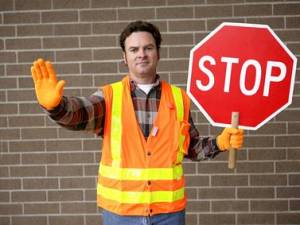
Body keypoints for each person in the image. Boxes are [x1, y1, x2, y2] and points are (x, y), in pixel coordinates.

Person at [30, 21, 243, 225]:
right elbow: (80, 114)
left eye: (148, 48)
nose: (141, 54)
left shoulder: (179, 99)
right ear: (125, 57)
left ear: (158, 53)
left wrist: (220, 143)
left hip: (168, 214)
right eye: (134, 50)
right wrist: (56, 107)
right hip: (120, 215)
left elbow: (190, 146)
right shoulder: (109, 96)